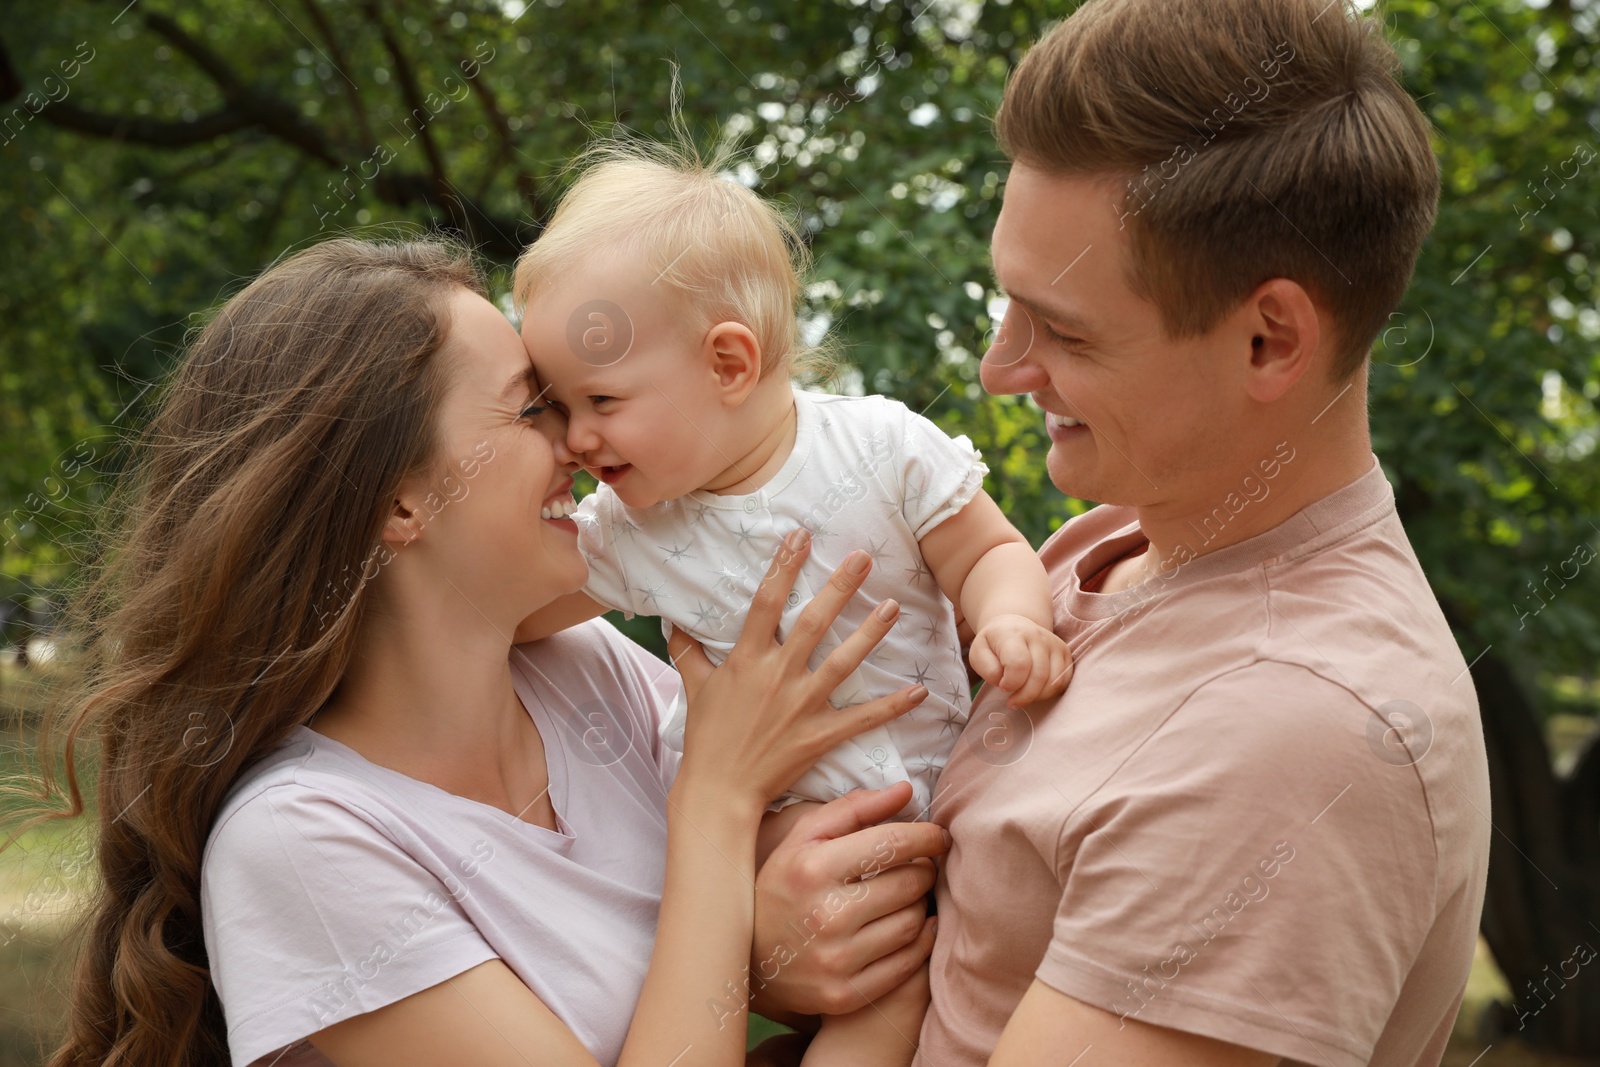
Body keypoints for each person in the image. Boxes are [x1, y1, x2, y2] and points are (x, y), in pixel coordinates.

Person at [4, 238, 946, 1067]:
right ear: (398, 504)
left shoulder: (588, 672)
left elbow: (773, 929)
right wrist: (720, 808)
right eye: (532, 408)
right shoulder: (301, 842)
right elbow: (720, 909)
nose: (583, 442)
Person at [917, 0, 1493, 1064]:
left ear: (1269, 338)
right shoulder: (1106, 548)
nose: (1001, 367)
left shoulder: (1290, 729)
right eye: (1007, 304)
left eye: (1063, 329)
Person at [511, 145, 1070, 859]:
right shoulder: (630, 527)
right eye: (554, 405)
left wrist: (1014, 620)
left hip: (950, 799)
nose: (575, 438)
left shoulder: (880, 446)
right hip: (768, 846)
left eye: (601, 400)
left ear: (728, 364)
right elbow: (510, 614)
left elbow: (987, 550)